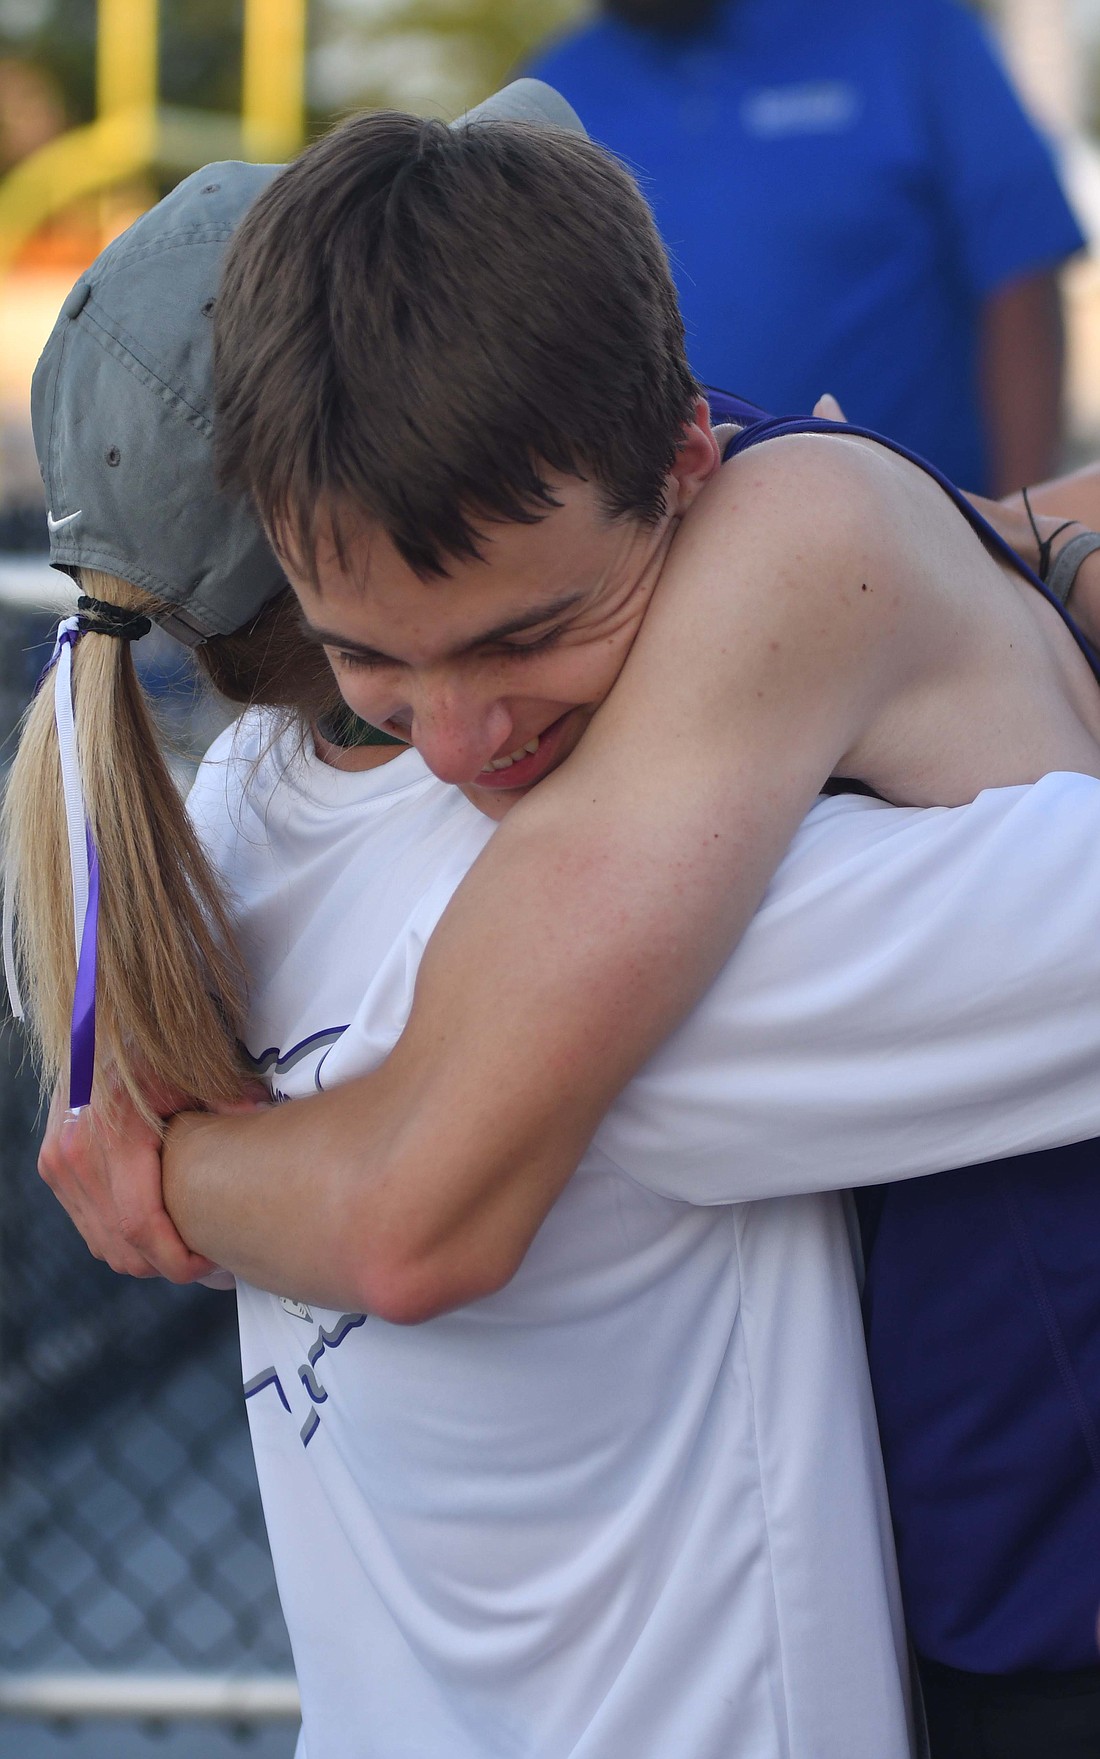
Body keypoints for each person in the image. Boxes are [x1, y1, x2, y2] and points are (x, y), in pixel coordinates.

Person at [16, 95, 1100, 1756]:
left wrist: (154, 1163)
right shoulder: (629, 891)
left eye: (535, 633)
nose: (460, 740)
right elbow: (410, 1206)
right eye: (389, 659)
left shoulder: (231, 836)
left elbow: (404, 1200)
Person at [527, 0, 1084, 494]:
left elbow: (1020, 272)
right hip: (662, 573)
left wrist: (1022, 527)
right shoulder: (553, 92)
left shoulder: (912, 30)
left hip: (921, 546)